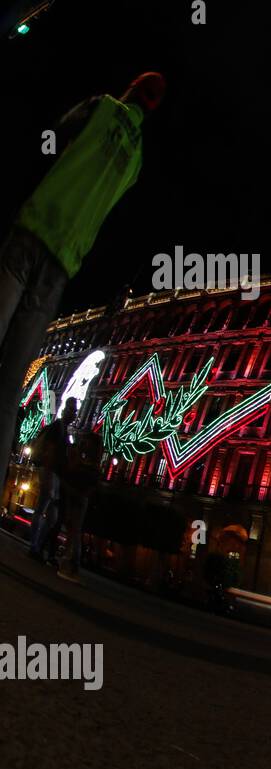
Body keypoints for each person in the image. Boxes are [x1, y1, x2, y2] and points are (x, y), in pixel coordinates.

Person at [0, 73, 165, 496]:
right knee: (10, 384)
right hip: (65, 258)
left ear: (130, 89)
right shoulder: (137, 159)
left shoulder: (104, 105)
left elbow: (54, 131)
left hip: (35, 226)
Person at [27, 397, 77, 564]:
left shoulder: (64, 430)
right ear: (66, 410)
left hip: (54, 474)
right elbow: (50, 449)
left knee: (52, 515)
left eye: (75, 410)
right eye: (72, 409)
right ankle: (34, 546)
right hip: (50, 471)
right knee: (43, 508)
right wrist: (49, 469)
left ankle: (38, 545)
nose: (74, 413)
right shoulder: (58, 427)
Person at [54, 414, 102, 583]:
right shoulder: (85, 462)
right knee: (72, 532)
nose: (84, 445)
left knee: (74, 534)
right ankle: (68, 564)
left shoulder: (92, 467)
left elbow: (88, 486)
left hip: (79, 500)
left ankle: (72, 566)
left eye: (86, 443)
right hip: (75, 498)